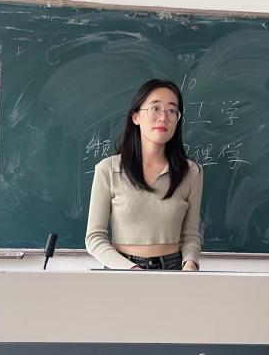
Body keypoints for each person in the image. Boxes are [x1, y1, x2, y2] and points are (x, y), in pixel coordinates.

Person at [85, 79, 203, 270]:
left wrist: (190, 265)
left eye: (172, 110)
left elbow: (191, 235)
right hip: (122, 269)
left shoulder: (190, 171)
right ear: (136, 117)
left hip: (173, 269)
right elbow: (94, 238)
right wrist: (132, 270)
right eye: (155, 108)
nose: (163, 117)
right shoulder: (108, 169)